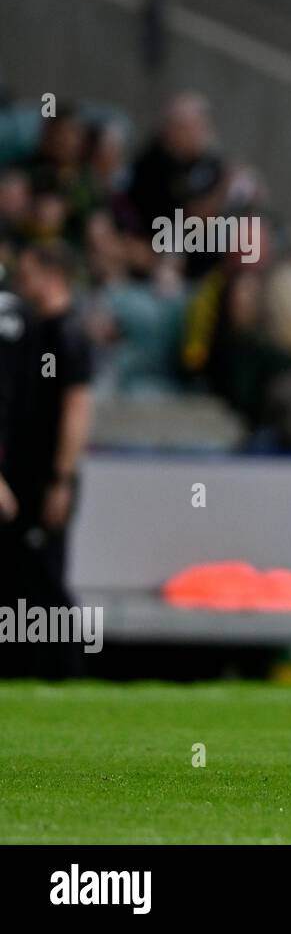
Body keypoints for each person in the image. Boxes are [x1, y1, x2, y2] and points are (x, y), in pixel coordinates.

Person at [0, 242, 94, 678]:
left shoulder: (65, 333)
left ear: (52, 274)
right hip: (28, 471)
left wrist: (62, 478)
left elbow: (77, 409)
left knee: (43, 575)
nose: (21, 280)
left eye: (29, 271)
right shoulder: (39, 330)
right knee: (23, 573)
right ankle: (30, 664)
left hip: (45, 475)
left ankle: (63, 666)